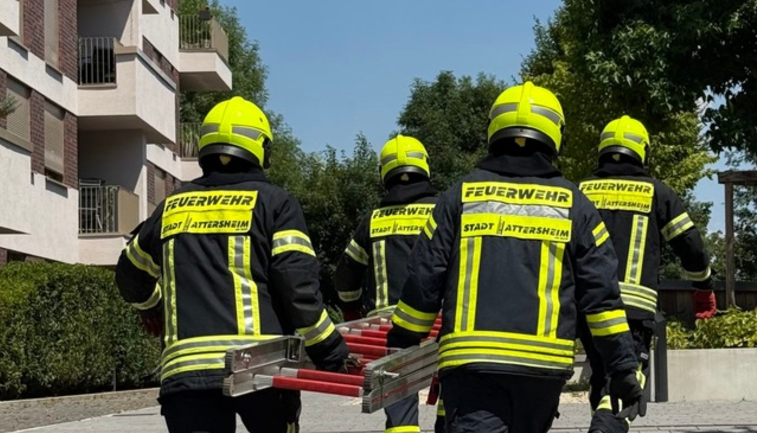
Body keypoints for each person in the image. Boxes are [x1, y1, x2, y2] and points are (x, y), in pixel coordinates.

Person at [386, 82, 644, 433]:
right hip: (543, 371)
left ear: (494, 130)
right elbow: (601, 299)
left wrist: (404, 338)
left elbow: (423, 279)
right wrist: (623, 367)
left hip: (472, 369)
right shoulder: (575, 205)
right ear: (555, 135)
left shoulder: (459, 196)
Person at [115, 96, 350, 433]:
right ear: (260, 148)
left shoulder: (171, 207)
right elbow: (297, 290)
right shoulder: (275, 204)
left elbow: (129, 274)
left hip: (188, 375)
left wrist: (153, 308)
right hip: (261, 368)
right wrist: (331, 351)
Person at [578, 115, 716, 433]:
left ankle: (602, 419)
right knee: (626, 385)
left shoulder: (578, 191)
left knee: (603, 375)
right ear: (643, 152)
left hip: (586, 310)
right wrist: (703, 286)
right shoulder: (656, 193)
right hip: (632, 312)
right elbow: (690, 245)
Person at [335, 134, 439, 433]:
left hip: (387, 329)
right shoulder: (443, 210)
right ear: (424, 168)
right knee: (453, 389)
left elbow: (345, 274)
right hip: (440, 322)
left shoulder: (373, 220)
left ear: (385, 172)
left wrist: (352, 313)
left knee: (399, 405)